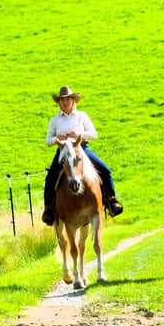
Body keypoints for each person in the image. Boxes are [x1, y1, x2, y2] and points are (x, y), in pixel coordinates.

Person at [41, 86, 124, 226]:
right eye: (62, 100)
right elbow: (47, 141)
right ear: (59, 103)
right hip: (63, 152)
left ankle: (111, 200)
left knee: (104, 169)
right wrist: (56, 138)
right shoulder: (54, 120)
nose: (65, 102)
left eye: (68, 99)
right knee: (51, 177)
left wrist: (80, 135)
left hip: (82, 149)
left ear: (73, 100)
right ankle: (49, 208)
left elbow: (94, 134)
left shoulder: (82, 116)